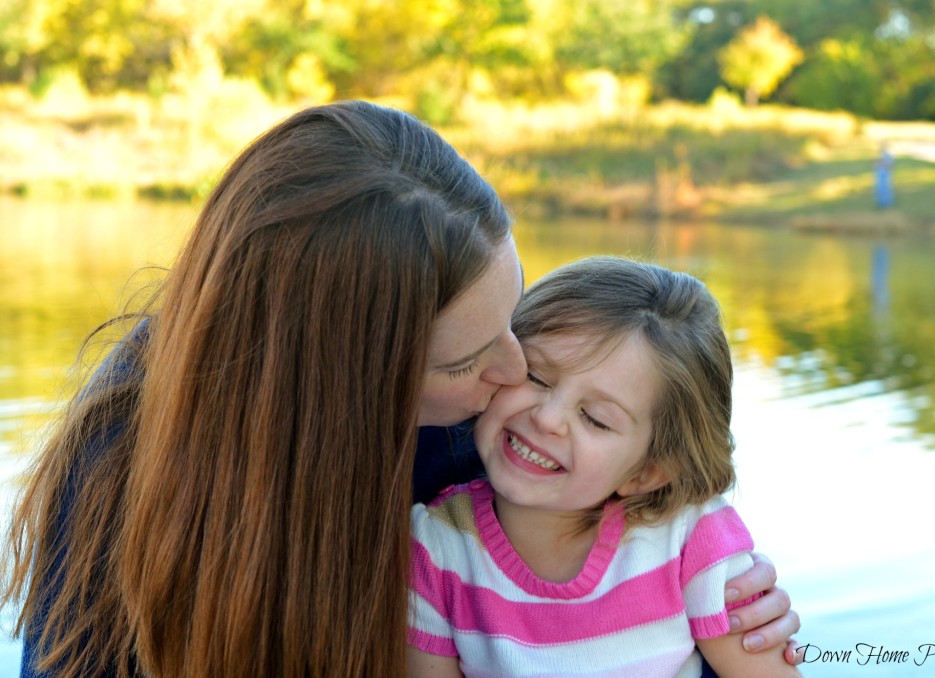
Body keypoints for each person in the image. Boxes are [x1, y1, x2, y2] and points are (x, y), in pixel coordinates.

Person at [2, 101, 798, 678]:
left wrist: (721, 615)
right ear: (342, 387)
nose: (515, 378)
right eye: (464, 362)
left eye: (511, 322)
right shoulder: (121, 469)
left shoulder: (497, 420)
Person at [408, 257, 801, 678]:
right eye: (536, 377)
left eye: (595, 417)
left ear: (646, 472)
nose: (548, 419)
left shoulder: (689, 537)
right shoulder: (434, 549)